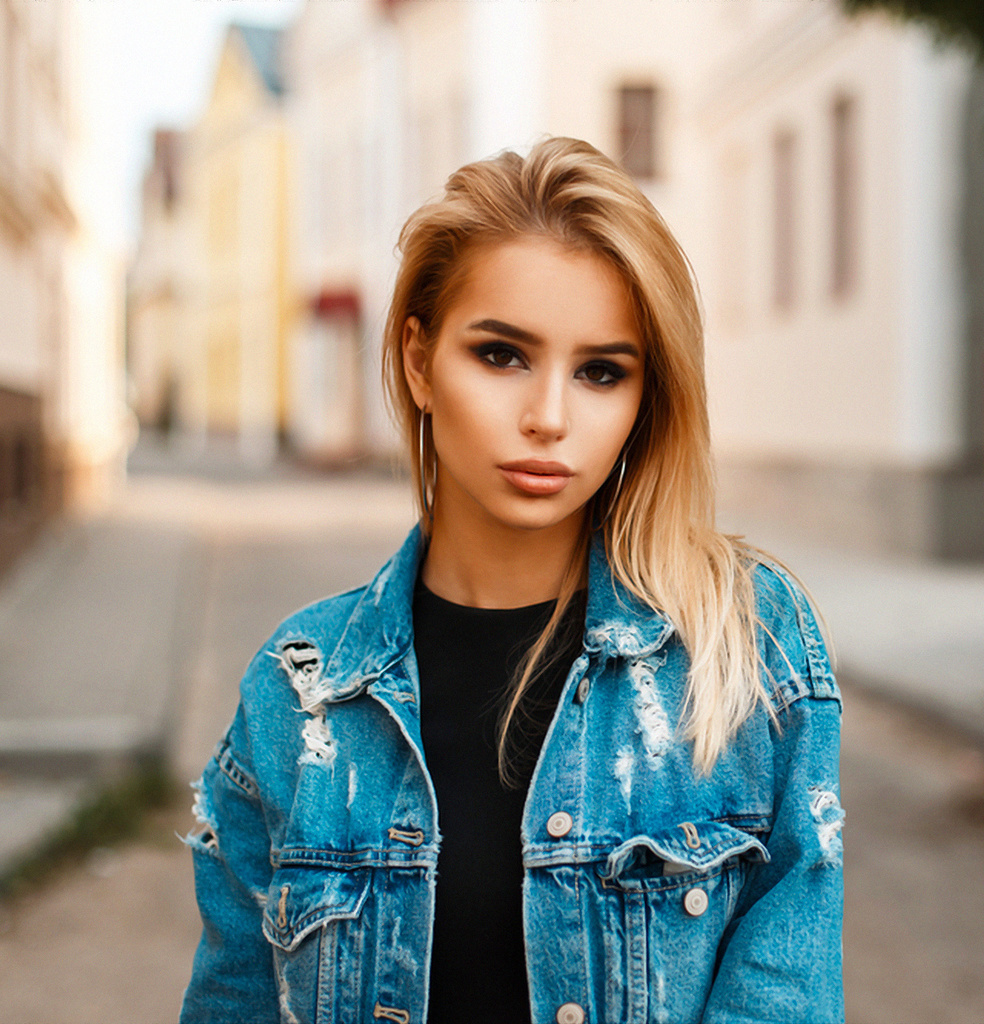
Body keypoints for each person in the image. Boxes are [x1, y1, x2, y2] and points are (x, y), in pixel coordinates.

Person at [180, 136, 844, 1024]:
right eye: (501, 355)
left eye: (603, 371)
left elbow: (786, 996)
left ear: (648, 398)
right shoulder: (300, 694)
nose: (549, 417)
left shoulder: (745, 644)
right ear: (419, 360)